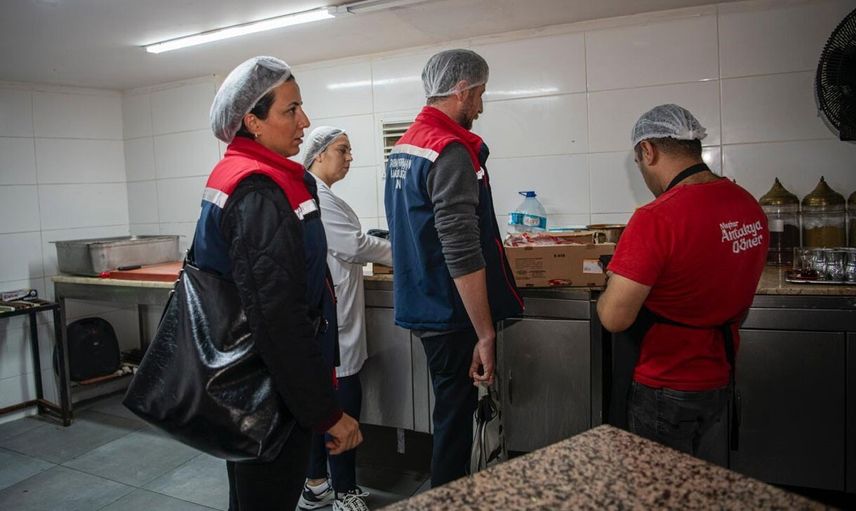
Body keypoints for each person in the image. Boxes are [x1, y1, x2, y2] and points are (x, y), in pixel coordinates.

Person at [199, 56, 362, 511]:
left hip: (259, 383)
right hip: (265, 391)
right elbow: (278, 319)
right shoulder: (258, 190)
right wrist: (326, 413)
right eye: (291, 110)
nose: (304, 121)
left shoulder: (260, 176)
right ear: (252, 121)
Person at [597, 104, 768, 464]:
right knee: (703, 483)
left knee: (659, 486)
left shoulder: (656, 217)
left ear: (648, 151)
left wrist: (613, 282)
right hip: (719, 374)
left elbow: (614, 318)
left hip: (665, 383)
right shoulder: (747, 204)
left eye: (638, 163)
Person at [383, 49, 524, 487]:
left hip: (424, 303)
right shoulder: (449, 150)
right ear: (461, 90)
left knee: (451, 412)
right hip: (450, 311)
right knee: (455, 421)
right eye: (480, 94)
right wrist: (485, 333)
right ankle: (447, 496)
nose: (480, 107)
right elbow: (461, 247)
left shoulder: (406, 147)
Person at [298, 126, 392, 511]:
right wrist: (403, 253)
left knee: (324, 404)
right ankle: (344, 492)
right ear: (319, 154)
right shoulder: (318, 197)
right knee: (341, 405)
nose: (350, 157)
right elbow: (353, 244)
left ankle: (317, 485)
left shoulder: (319, 195)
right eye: (343, 150)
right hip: (333, 322)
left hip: (332, 318)